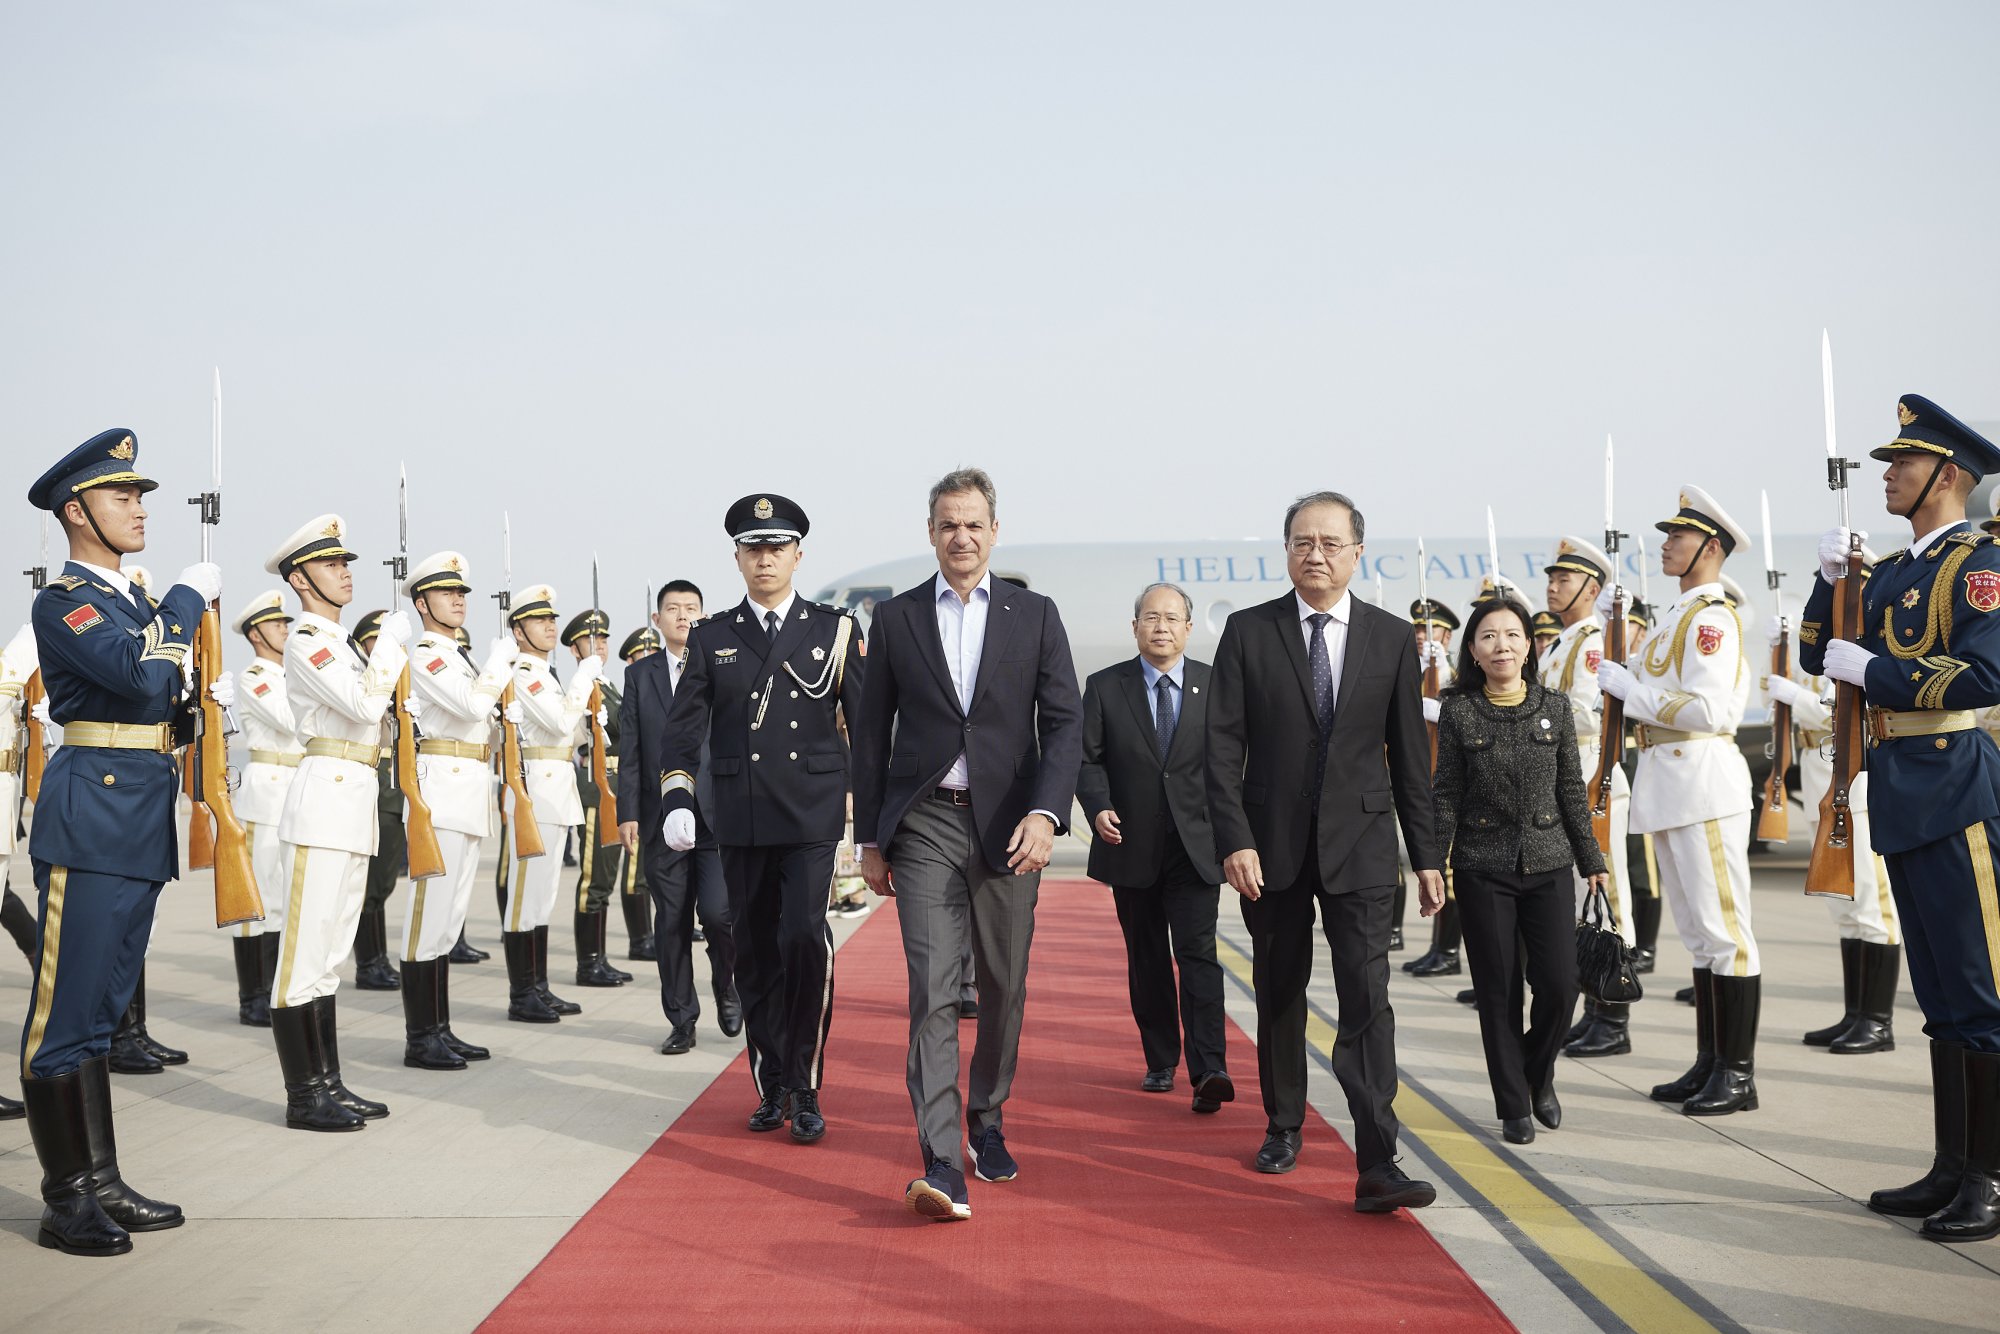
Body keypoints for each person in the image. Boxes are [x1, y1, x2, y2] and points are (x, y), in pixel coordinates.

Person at [852, 468, 1081, 1223]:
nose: (961, 536)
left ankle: (987, 1117)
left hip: (1011, 826)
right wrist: (870, 838)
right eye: (948, 524)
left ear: (994, 531)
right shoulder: (897, 619)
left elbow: (1064, 724)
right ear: (931, 533)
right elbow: (870, 734)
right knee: (932, 986)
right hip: (925, 823)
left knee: (1005, 985)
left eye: (974, 523)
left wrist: (1047, 815)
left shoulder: (1034, 614)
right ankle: (942, 1160)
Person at [1205, 489, 1442, 1212]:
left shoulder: (1390, 637)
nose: (1316, 554)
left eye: (1331, 543)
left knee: (1367, 998)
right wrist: (1234, 840)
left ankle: (1378, 1159)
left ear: (1357, 554)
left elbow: (1410, 755)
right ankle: (1283, 1124)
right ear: (1287, 551)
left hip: (1362, 846)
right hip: (1270, 848)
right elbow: (1220, 749)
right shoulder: (1249, 632)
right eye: (1303, 542)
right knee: (1280, 990)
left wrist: (1427, 855)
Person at [1803, 395, 2000, 1242]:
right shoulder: (1888, 571)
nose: (1888, 475)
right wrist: (1830, 582)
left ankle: (1989, 1178)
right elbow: (1818, 652)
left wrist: (1878, 672)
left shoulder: (1981, 565)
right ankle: (1952, 1166)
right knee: (1941, 996)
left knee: (1979, 991)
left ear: (1948, 475)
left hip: (1956, 787)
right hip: (1901, 790)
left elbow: (1986, 675)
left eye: (1904, 463)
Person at [16, 431, 216, 1254]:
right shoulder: (66, 602)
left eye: (139, 496)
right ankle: (66, 1199)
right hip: (93, 816)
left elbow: (164, 695)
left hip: (138, 810)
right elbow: (138, 674)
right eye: (121, 496)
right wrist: (186, 599)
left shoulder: (131, 601)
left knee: (102, 1012)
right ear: (76, 511)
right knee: (64, 1014)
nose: (139, 509)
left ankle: (102, 1181)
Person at [661, 498, 866, 1142]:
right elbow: (683, 728)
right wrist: (676, 796)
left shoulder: (834, 630)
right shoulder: (712, 637)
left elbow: (864, 727)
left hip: (810, 816)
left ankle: (805, 1084)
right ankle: (770, 1081)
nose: (765, 558)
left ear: (798, 555)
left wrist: (875, 819)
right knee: (750, 950)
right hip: (742, 814)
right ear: (738, 558)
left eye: (777, 546)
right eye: (754, 548)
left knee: (803, 939)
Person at [1596, 486, 1760, 1117]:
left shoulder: (1712, 618)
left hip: (1703, 783)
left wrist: (1632, 691)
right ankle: (1710, 1062)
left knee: (1725, 933)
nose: (1666, 544)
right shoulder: (1677, 615)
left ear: (1710, 547)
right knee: (1698, 935)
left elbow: (1713, 710)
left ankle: (1737, 1075)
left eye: (1679, 536)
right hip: (1670, 782)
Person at [1432, 594, 1605, 1144]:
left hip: (1549, 863)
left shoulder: (1555, 706)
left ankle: (1537, 1073)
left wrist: (1592, 860)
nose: (1500, 645)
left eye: (1511, 635)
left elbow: (1571, 790)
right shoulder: (1459, 710)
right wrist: (1432, 864)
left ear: (1529, 646)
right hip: (1482, 868)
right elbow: (1446, 793)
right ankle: (1513, 1105)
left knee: (1560, 985)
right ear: (1473, 651)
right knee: (1499, 991)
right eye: (1488, 636)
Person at [264, 515, 406, 1133]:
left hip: (353, 801)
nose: (345, 573)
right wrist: (392, 646)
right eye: (330, 564)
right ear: (300, 579)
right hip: (323, 803)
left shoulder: (342, 644)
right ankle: (303, 1096)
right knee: (302, 957)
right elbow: (362, 704)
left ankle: (329, 1083)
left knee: (327, 957)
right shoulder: (306, 640)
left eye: (346, 563)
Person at [1079, 581, 1231, 1111]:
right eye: (1150, 617)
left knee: (1198, 955)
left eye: (1171, 618)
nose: (1160, 627)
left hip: (1197, 846)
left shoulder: (1216, 685)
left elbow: (1233, 762)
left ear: (1188, 628)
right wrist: (1098, 806)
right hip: (1131, 844)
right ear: (1135, 626)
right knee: (1147, 958)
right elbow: (1087, 759)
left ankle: (1209, 1069)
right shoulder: (1105, 687)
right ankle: (1161, 1059)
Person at [398, 551, 514, 1069]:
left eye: (462, 592)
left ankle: (440, 1029)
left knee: (447, 923)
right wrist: (500, 664)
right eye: (447, 593)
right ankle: (420, 1037)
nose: (458, 600)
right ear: (423, 603)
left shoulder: (457, 656)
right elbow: (470, 705)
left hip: (467, 792)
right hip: (440, 798)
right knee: (427, 921)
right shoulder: (427, 654)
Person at [618, 579, 741, 1055]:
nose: (683, 616)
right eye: (673, 608)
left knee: (719, 914)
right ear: (657, 619)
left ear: (703, 616)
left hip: (715, 814)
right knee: (670, 922)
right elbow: (631, 748)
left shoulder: (723, 667)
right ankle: (681, 1020)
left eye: (691, 608)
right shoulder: (639, 675)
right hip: (659, 817)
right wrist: (628, 811)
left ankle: (727, 987)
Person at [1533, 537, 1637, 1061]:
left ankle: (1613, 1016)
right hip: (1565, 780)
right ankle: (1595, 1007)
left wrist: (1527, 710)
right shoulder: (1561, 642)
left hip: (1591, 777)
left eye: (1565, 580)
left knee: (1606, 892)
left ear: (1592, 589)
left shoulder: (1592, 640)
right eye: (1552, 579)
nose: (1553, 587)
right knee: (1580, 900)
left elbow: (1587, 714)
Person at [501, 584, 600, 1022]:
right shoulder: (524, 673)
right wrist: (583, 678)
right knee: (525, 897)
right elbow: (559, 721)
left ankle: (538, 987)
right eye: (538, 620)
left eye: (551, 619)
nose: (549, 626)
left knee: (543, 897)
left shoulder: (545, 674)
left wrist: (590, 721)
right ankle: (521, 994)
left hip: (557, 787)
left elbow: (567, 734)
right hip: (535, 793)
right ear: (518, 631)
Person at [230, 590, 299, 1029]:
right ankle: (251, 996)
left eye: (286, 623)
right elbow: (291, 721)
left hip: (294, 788)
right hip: (268, 791)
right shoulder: (255, 676)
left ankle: (273, 988)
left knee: (284, 897)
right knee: (257, 898)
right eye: (277, 625)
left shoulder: (288, 675)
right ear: (256, 634)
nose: (285, 631)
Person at [564, 608, 634, 989]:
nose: (600, 645)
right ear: (575, 650)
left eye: (603, 639)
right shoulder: (584, 686)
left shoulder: (606, 685)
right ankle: (587, 963)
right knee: (594, 879)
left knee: (605, 878)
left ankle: (600, 959)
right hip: (598, 787)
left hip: (618, 785)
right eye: (591, 640)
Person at [348, 608, 403, 995]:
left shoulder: (397, 679)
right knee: (368, 883)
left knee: (384, 880)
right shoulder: (364, 679)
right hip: (375, 781)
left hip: (393, 784)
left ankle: (379, 958)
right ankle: (368, 962)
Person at [1403, 597, 1459, 970]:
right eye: (1417, 629)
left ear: (1447, 637)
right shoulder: (1410, 669)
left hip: (1447, 780)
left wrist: (1441, 699)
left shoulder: (1455, 674)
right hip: (1419, 777)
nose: (1423, 635)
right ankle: (1439, 946)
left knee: (1448, 867)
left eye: (1431, 629)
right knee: (1432, 861)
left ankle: (1448, 951)